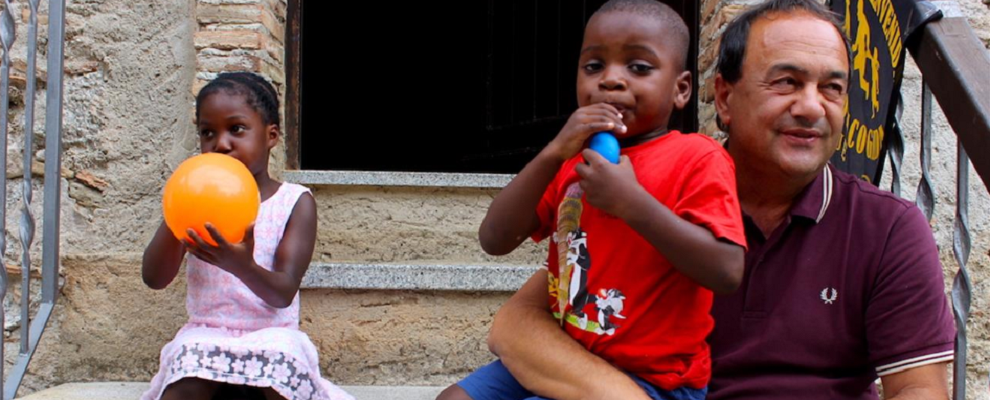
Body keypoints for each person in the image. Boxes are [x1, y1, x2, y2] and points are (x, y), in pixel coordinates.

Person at [472, 1, 956, 399]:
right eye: (786, 82)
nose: (811, 107)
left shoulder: (886, 227)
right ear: (723, 98)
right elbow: (518, 321)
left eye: (832, 88)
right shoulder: (645, 189)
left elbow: (919, 390)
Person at [438, 1, 746, 399]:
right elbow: (494, 239)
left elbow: (726, 270)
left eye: (639, 67)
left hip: (653, 380)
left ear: (681, 89)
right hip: (566, 355)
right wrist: (552, 153)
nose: (610, 80)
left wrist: (631, 204)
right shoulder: (570, 163)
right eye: (593, 66)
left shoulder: (698, 158)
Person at [141, 72, 354, 400]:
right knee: (182, 382)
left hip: (272, 336)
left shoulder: (294, 202)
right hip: (206, 333)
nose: (221, 144)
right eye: (207, 133)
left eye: (236, 129)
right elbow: (154, 278)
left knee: (282, 371)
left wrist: (240, 265)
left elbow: (283, 293)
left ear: (271, 136)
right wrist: (178, 209)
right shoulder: (194, 198)